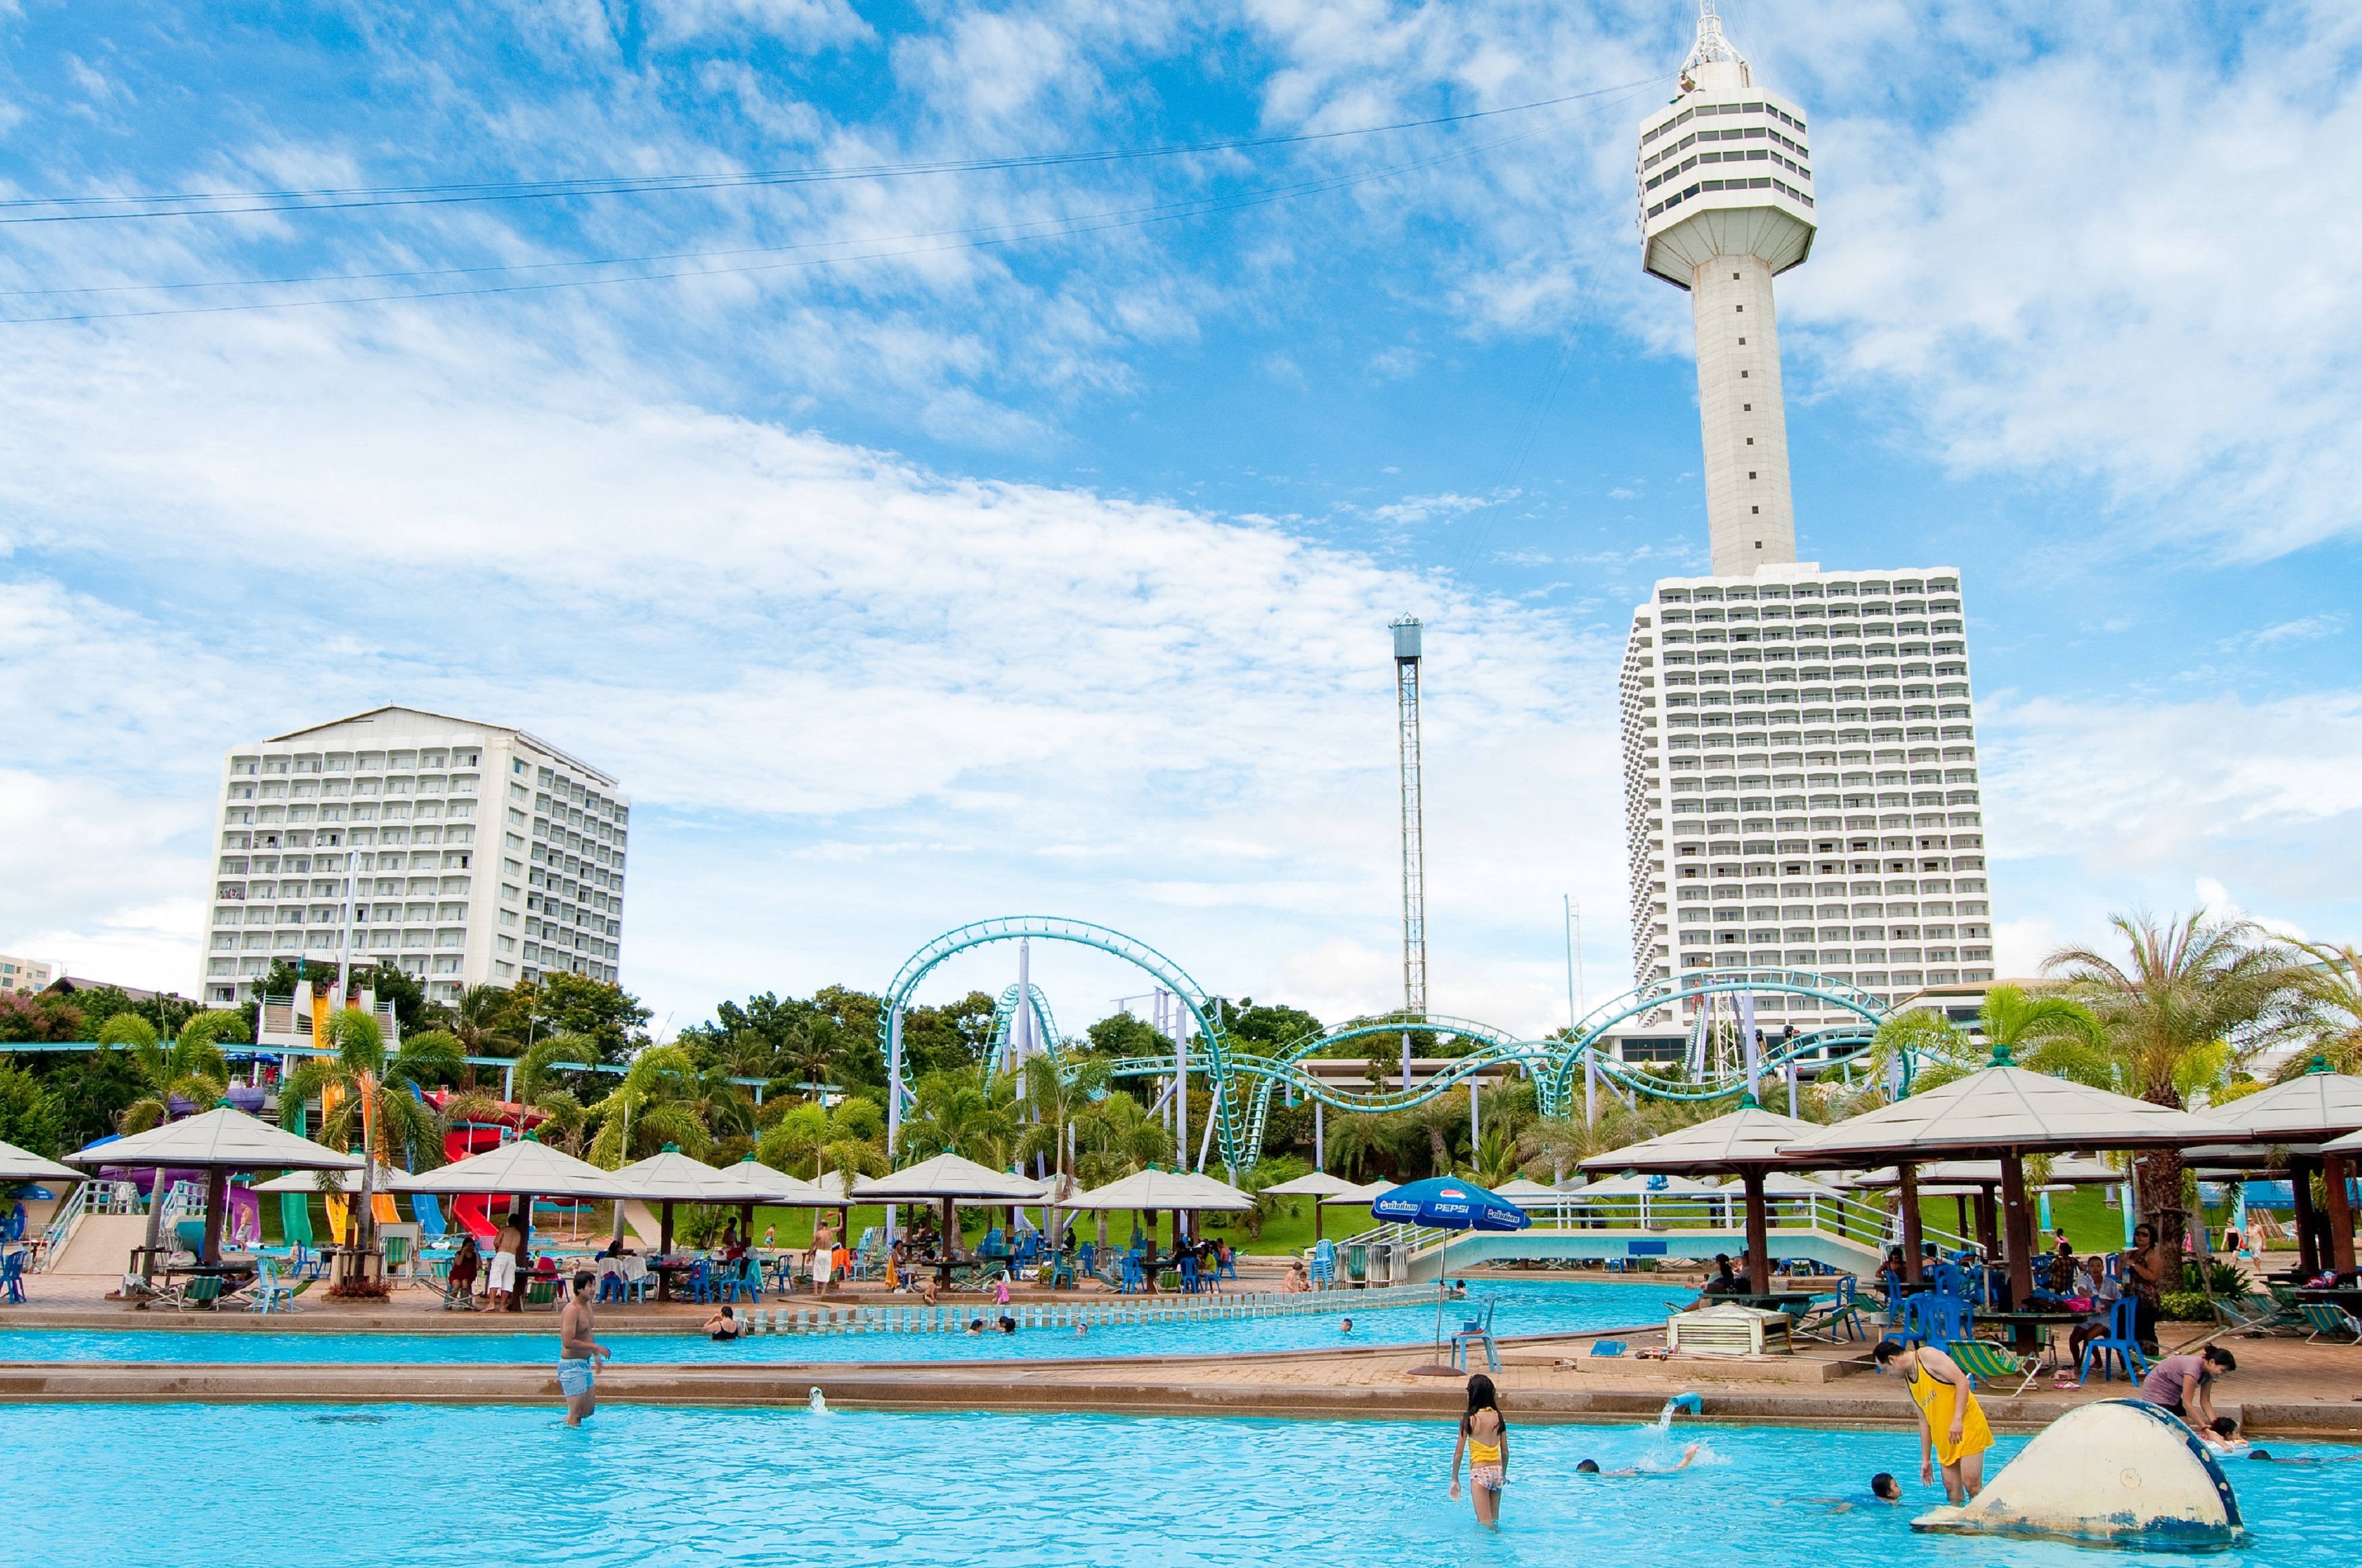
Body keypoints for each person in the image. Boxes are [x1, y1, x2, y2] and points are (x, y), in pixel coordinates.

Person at [1871, 1339, 1992, 1504]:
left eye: (1886, 1369)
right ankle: (1958, 1527)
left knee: (1971, 1484)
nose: (1888, 1375)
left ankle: (1984, 1523)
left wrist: (1957, 1420)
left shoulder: (1927, 1356)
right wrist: (1926, 1459)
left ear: (1892, 1360)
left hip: (1966, 1426)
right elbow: (1923, 1420)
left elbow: (1962, 1382)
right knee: (1951, 1489)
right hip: (1945, 1437)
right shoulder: (1908, 1381)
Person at [1448, 1374, 1510, 1530]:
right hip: (1497, 1471)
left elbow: (1459, 1454)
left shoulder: (1469, 1419)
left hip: (1480, 1473)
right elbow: (1505, 1453)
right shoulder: (1498, 1417)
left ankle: (1499, 1539)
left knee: (1484, 1523)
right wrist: (1503, 1474)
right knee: (1494, 1520)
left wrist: (1455, 1479)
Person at [557, 1268, 611, 1426]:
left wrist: (595, 1356)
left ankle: (558, 1424)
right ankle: (573, 1447)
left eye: (594, 1285)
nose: (593, 1289)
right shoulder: (571, 1310)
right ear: (580, 1289)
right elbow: (568, 1341)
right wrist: (596, 1346)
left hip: (584, 1364)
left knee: (588, 1411)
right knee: (577, 1415)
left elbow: (587, 1333)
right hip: (571, 1365)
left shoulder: (587, 1306)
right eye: (589, 1286)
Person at [2139, 1345, 2235, 1432]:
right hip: (2156, 1391)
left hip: (2173, 1394)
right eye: (2222, 1370)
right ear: (2212, 1362)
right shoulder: (2193, 1369)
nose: (2221, 1375)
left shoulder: (2210, 1373)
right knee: (2172, 1432)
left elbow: (2205, 1401)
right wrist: (2205, 1429)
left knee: (2185, 1432)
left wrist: (2217, 1427)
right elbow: (2187, 1403)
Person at [2122, 1223, 2166, 1353]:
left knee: (2146, 1332)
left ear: (2151, 1237)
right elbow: (2121, 1276)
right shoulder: (2131, 1253)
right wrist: (2121, 1262)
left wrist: (2134, 1265)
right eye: (2138, 1234)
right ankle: (2134, 1362)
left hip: (2146, 1300)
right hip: (2130, 1298)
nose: (2140, 1237)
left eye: (2144, 1235)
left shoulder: (2152, 1254)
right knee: (2131, 1331)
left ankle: (2150, 1362)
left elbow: (2152, 1276)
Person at [1574, 1443, 1701, 1477]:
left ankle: (1688, 1458)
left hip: (1634, 1474)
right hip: (1630, 1471)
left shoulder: (1604, 1477)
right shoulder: (1603, 1474)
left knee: (1671, 1471)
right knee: (1667, 1470)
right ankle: (1688, 1458)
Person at [485, 1222, 521, 1311]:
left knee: (495, 1278)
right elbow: (517, 1247)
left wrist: (498, 1249)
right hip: (512, 1256)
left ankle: (491, 1304)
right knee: (508, 1281)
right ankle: (502, 1306)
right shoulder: (518, 1233)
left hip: (502, 1254)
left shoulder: (504, 1230)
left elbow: (496, 1242)